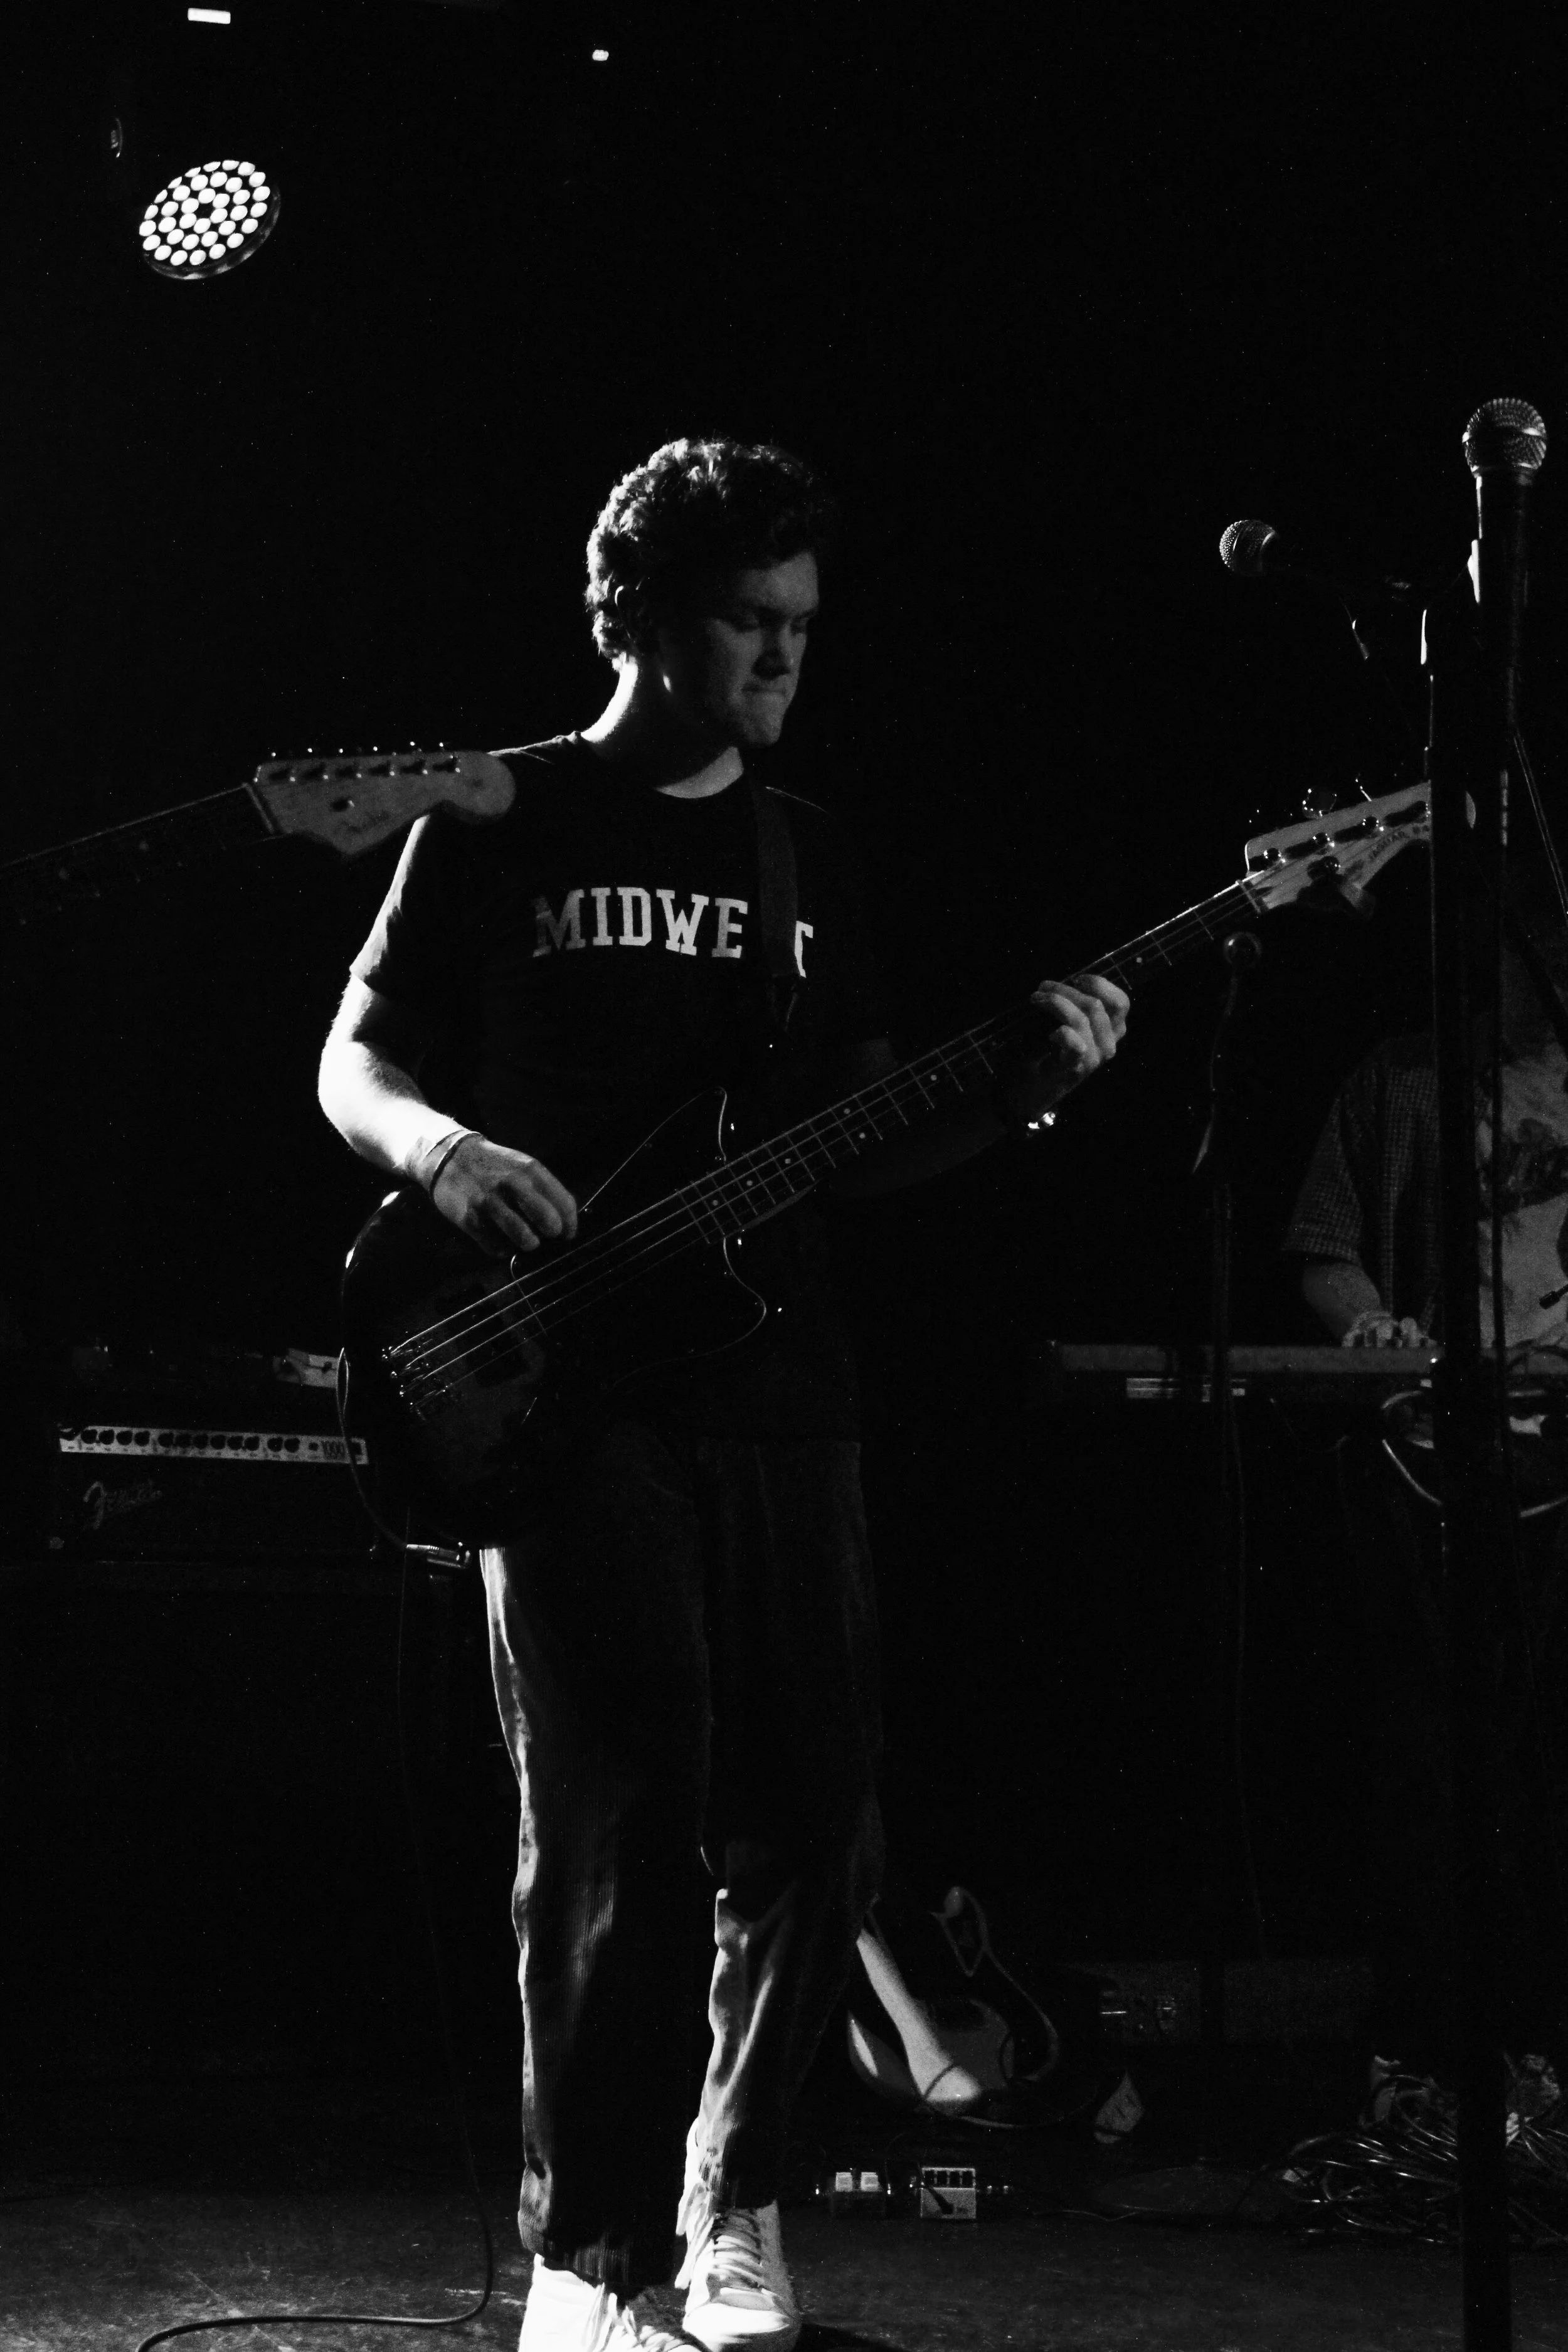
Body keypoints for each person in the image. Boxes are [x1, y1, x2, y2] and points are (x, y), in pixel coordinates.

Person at [317, 436, 1128, 2352]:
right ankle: (591, 2258)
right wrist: (442, 1157)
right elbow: (354, 1056)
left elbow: (844, 1142)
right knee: (612, 1822)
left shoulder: (805, 850)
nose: (781, 659)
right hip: (553, 1388)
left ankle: (732, 2202)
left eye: (800, 626)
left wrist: (1020, 1090)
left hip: (780, 1380)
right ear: (640, 618)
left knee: (814, 1814)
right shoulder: (494, 816)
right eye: (746, 622)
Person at [1286, 885, 1568, 2087]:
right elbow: (1324, 1245)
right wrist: (1371, 1332)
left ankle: (1536, 2042)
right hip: (1430, 1449)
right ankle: (1427, 2048)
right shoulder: (1395, 1080)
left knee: (1543, 1746)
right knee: (1425, 1742)